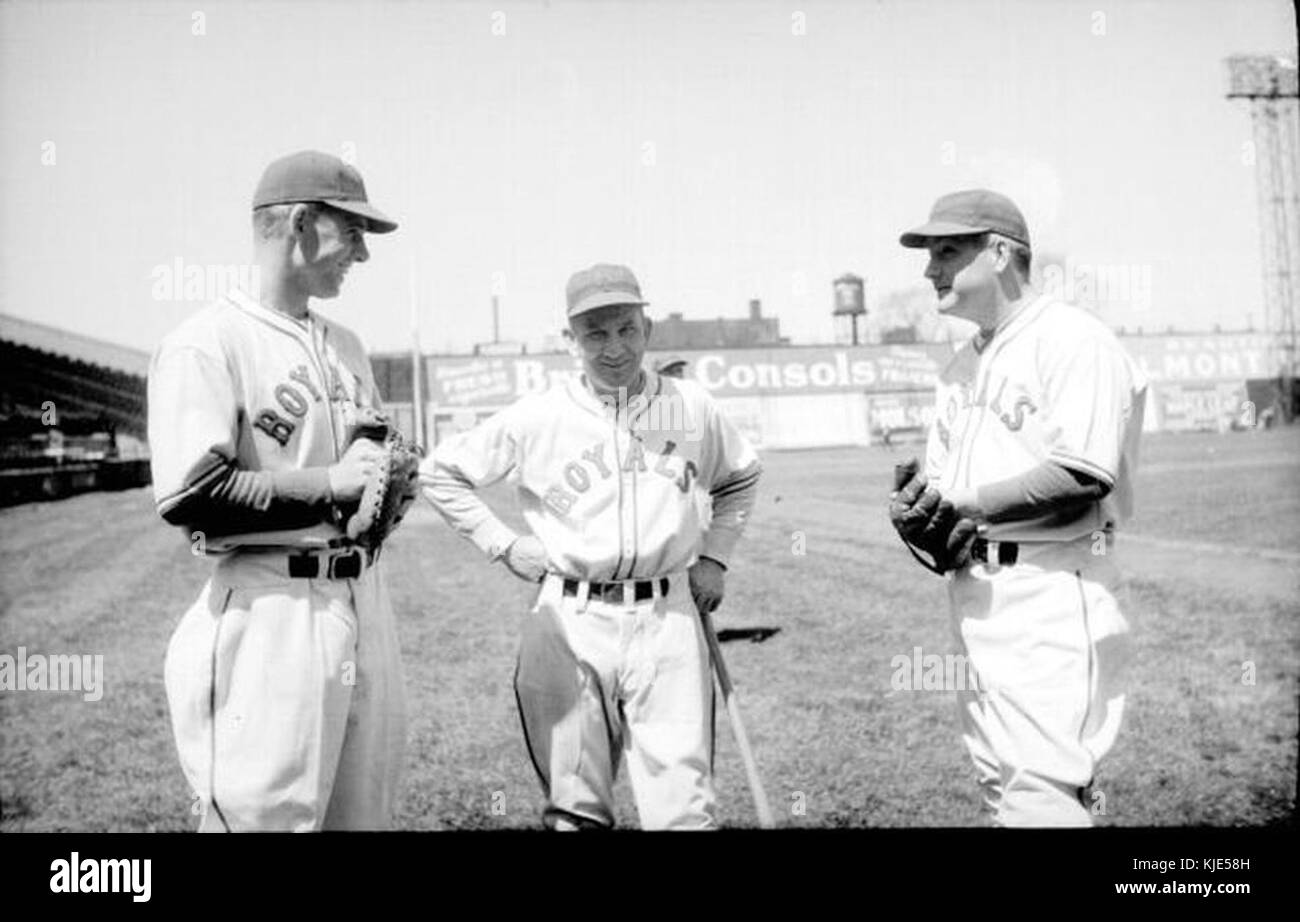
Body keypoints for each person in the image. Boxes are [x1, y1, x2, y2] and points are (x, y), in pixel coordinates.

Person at [423, 263, 761, 830]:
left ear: (648, 330)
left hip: (667, 616)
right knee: (576, 810)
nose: (614, 348)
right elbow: (440, 473)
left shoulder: (687, 405)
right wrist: (502, 544)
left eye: (627, 329)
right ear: (570, 341)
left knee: (684, 810)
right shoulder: (540, 415)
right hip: (569, 619)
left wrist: (716, 557)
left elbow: (741, 478)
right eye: (596, 333)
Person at [147, 150, 408, 831]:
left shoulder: (346, 345)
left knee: (363, 820)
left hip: (361, 600)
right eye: (352, 231)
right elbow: (189, 497)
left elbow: (364, 471)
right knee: (264, 822)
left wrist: (383, 492)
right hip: (269, 608)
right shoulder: (206, 344)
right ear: (299, 223)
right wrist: (329, 484)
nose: (362, 253)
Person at [893, 189, 1146, 827]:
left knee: (1042, 794)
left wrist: (959, 503)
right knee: (1001, 789)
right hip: (975, 591)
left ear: (1000, 253)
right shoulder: (958, 364)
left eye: (947, 251)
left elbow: (1083, 474)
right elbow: (949, 497)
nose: (931, 270)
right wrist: (919, 521)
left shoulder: (1073, 339)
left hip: (1052, 590)